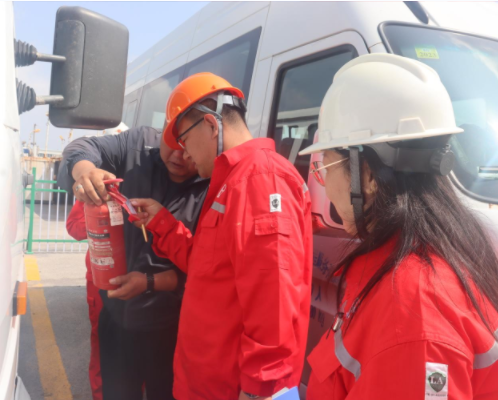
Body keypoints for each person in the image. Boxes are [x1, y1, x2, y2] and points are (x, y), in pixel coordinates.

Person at [298, 53, 498, 399]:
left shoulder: (412, 314)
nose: (325, 187)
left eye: (325, 167)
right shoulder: (416, 258)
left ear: (367, 175)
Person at [132, 72, 313, 400]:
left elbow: (272, 303)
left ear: (210, 125)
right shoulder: (235, 181)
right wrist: (161, 222)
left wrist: (259, 391)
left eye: (185, 140)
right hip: (204, 384)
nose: (184, 154)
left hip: (226, 390)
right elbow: (208, 267)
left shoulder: (259, 180)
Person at [57, 116, 209, 400]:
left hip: (174, 328)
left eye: (188, 147)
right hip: (118, 319)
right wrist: (86, 172)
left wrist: (150, 281)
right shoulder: (138, 144)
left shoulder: (213, 184)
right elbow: (81, 147)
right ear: (164, 131)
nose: (179, 155)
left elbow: (211, 270)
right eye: (173, 143)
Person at [66, 200, 104, 400]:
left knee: (140, 346)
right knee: (101, 343)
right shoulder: (97, 190)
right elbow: (75, 228)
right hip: (102, 280)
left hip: (143, 279)